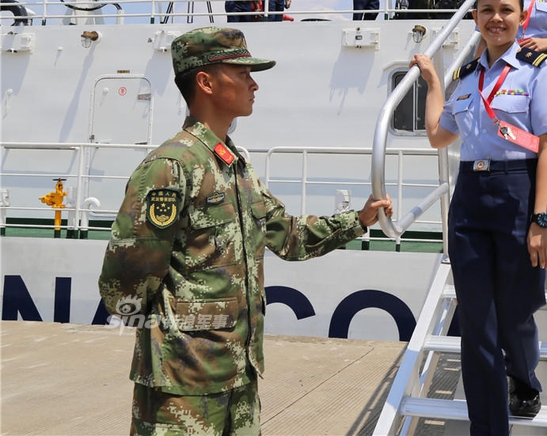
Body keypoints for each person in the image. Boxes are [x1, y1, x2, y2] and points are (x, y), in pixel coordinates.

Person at [98, 26, 393, 435]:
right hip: (182, 383)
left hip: (239, 374)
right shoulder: (172, 165)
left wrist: (358, 220)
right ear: (205, 81)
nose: (253, 83)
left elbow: (286, 236)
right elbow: (126, 274)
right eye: (241, 72)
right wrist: (162, 333)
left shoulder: (234, 166)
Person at [411, 0, 547, 434]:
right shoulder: (469, 76)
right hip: (471, 197)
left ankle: (523, 377)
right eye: (487, 11)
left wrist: (541, 219)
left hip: (519, 191)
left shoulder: (540, 72)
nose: (496, 18)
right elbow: (440, 136)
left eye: (506, 10)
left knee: (516, 313)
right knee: (477, 323)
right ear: (475, 17)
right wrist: (435, 85)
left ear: (522, 16)